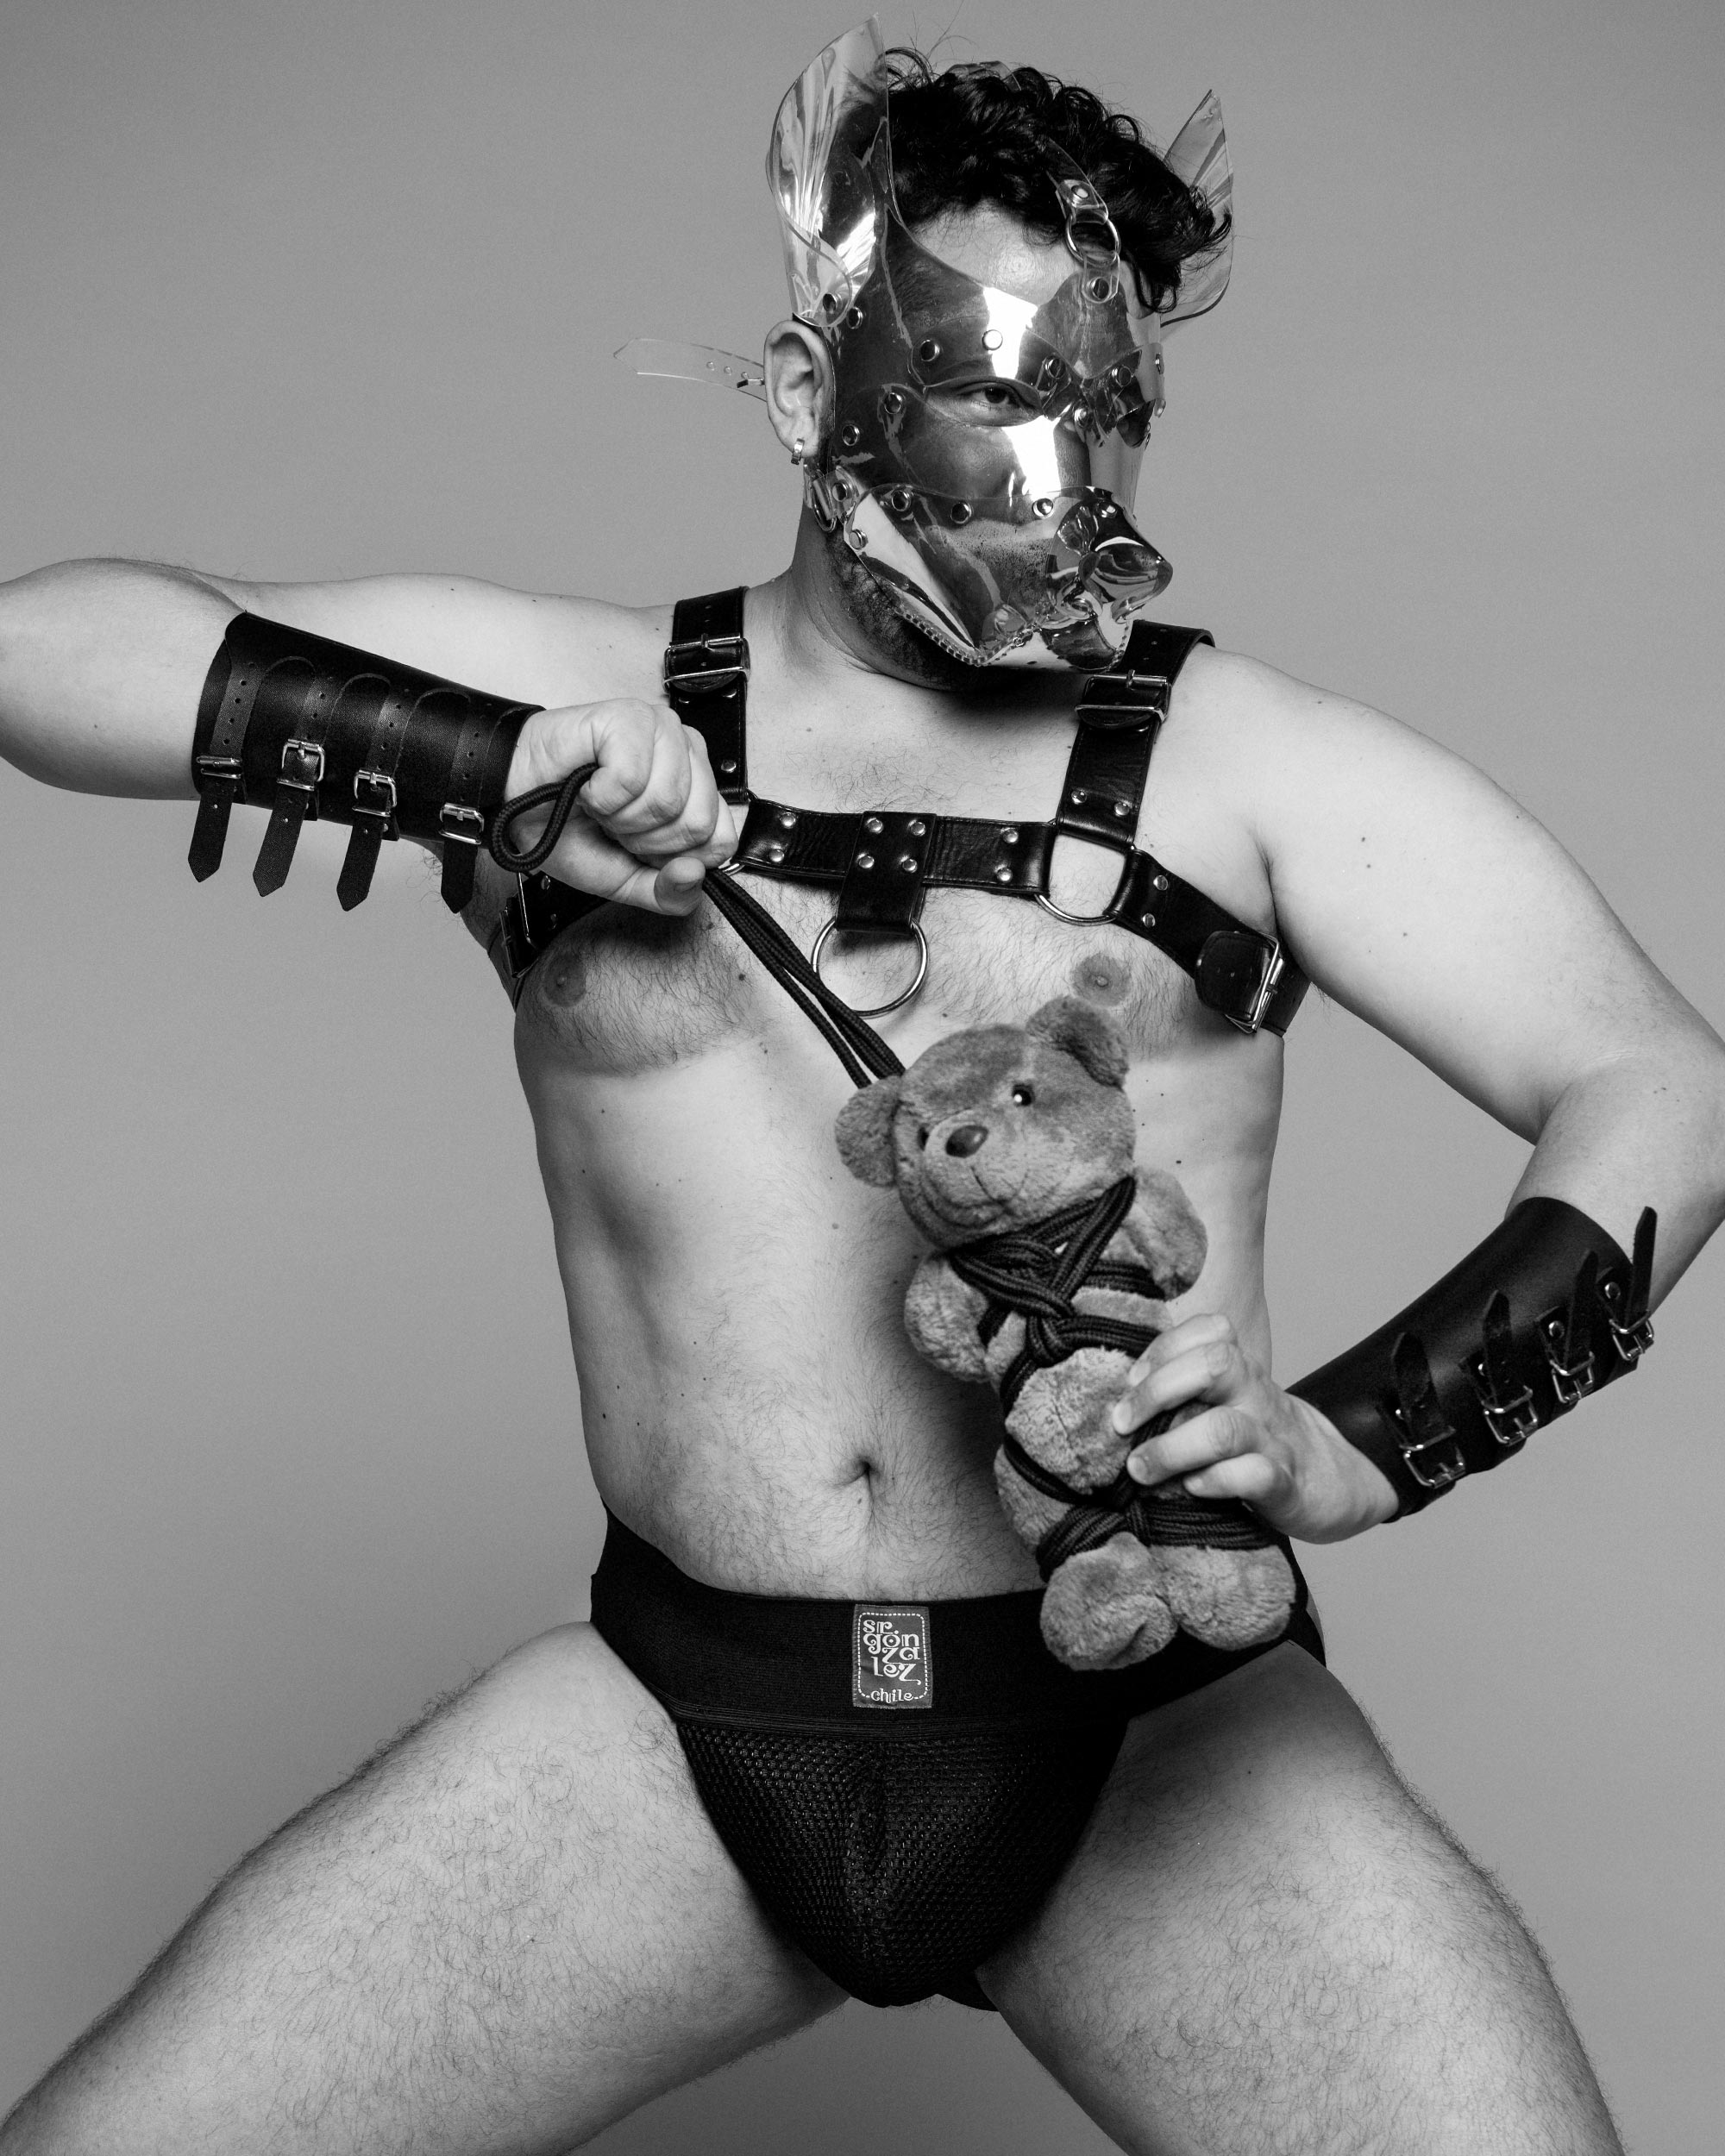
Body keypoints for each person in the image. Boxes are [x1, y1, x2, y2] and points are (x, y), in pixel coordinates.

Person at [1, 22, 1718, 2154]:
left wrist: (1367, 1436)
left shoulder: (1246, 767)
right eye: (996, 391)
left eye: (1108, 409)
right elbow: (39, 649)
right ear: (812, 388)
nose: (1061, 466)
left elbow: (1657, 1080)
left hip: (1152, 1734)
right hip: (679, 1720)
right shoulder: (577, 698)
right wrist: (480, 764)